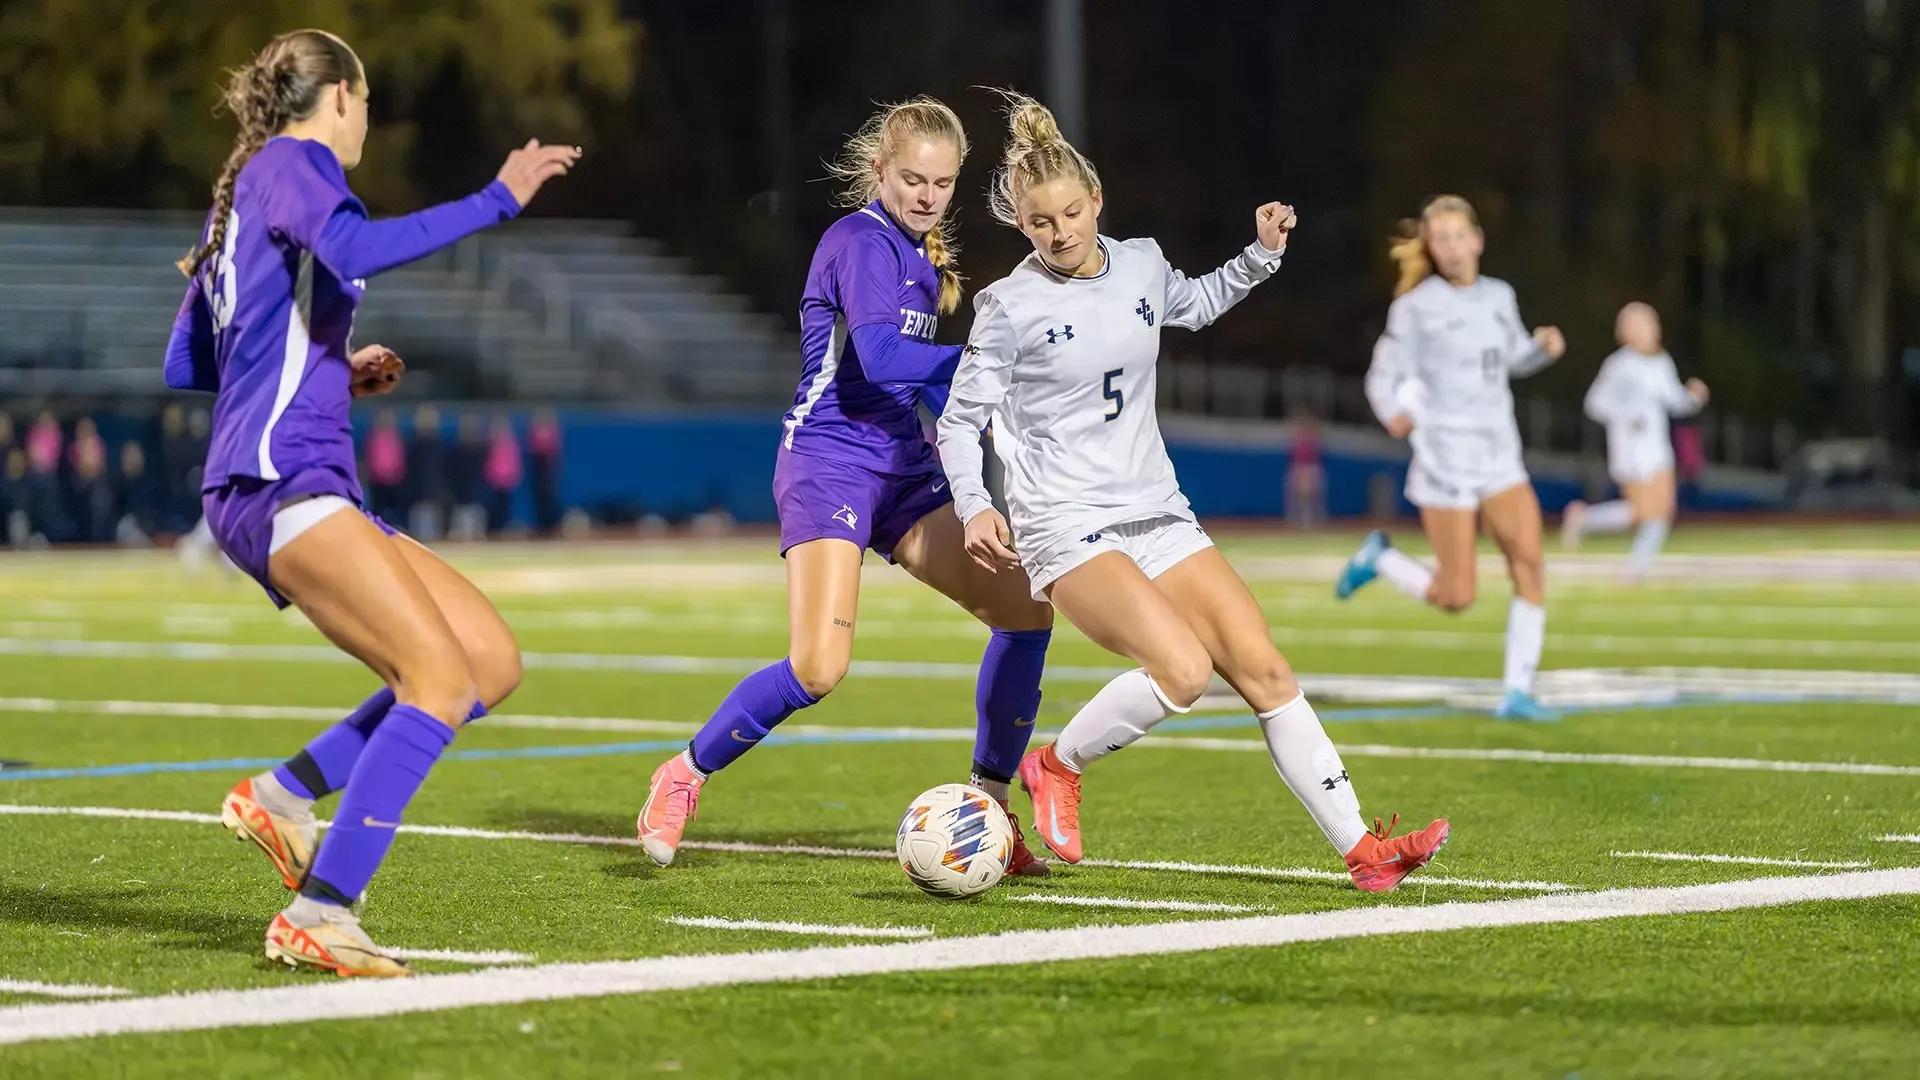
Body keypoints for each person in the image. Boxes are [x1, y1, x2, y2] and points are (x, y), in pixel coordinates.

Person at [936, 93, 1448, 893]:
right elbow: (959, 421)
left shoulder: (1138, 260)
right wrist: (974, 503)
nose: (1061, 231)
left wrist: (1260, 254)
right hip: (1064, 523)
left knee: (1266, 671)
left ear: (1097, 201)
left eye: (1072, 212)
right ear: (1022, 228)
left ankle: (1364, 853)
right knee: (1182, 671)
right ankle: (1053, 766)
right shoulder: (1009, 306)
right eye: (1041, 223)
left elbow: (1196, 304)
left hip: (1157, 509)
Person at [165, 28, 577, 976]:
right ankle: (323, 910)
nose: (365, 124)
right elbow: (350, 243)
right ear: (341, 96)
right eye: (367, 104)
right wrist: (496, 199)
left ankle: (282, 795)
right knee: (435, 682)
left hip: (292, 471)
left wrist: (324, 370)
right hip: (281, 482)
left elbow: (185, 360)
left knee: (485, 660)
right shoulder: (294, 163)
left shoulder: (250, 188)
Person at [635, 97, 1056, 876]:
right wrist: (985, 361)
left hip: (902, 467)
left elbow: (932, 397)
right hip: (829, 459)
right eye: (912, 179)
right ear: (878, 171)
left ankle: (989, 811)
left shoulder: (925, 263)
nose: (927, 195)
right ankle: (683, 774)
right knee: (818, 669)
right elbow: (884, 360)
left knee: (1025, 611)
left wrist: (988, 457)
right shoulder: (858, 242)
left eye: (941, 182)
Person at [1335, 196, 1566, 722]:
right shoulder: (1417, 308)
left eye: (1460, 236)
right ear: (1431, 248)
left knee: (1529, 563)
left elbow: (1509, 360)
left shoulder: (1500, 296)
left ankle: (1517, 692)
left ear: (1478, 240)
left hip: (1499, 454)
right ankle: (1380, 559)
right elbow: (1381, 375)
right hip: (1444, 459)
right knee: (1456, 594)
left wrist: (1539, 349)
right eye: (1441, 239)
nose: (1453, 248)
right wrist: (1393, 411)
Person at [1562, 302, 1709, 582]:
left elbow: (1673, 401)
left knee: (1660, 511)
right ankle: (1591, 524)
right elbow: (1594, 403)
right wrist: (1625, 417)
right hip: (1631, 449)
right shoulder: (1619, 365)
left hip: (1657, 446)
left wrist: (1693, 399)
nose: (1651, 330)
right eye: (1643, 324)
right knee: (1643, 513)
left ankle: (1632, 565)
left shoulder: (1661, 362)